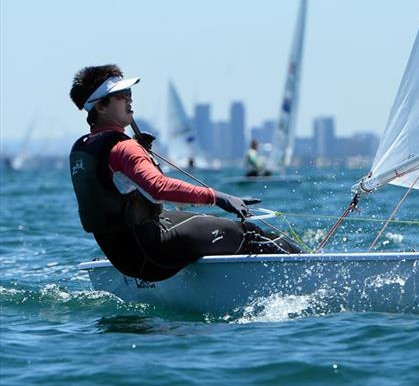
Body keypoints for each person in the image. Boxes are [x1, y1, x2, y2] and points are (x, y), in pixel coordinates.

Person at [68, 65, 299, 282]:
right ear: (100, 106)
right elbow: (158, 188)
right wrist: (218, 197)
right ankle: (305, 269)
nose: (129, 98)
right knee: (249, 233)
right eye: (121, 94)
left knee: (210, 223)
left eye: (129, 92)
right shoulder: (124, 148)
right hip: (155, 254)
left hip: (127, 259)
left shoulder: (83, 149)